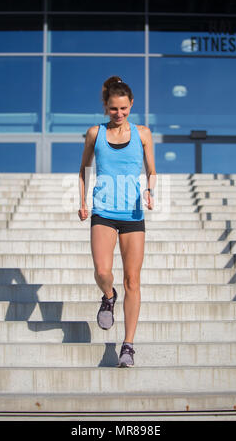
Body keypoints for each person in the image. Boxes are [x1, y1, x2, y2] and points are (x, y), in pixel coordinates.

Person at [78, 75, 157, 367]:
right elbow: (83, 169)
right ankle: (108, 296)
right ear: (105, 106)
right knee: (102, 271)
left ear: (131, 104)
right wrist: (82, 201)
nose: (119, 114)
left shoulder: (143, 134)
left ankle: (128, 345)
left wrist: (150, 189)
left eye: (124, 108)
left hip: (133, 214)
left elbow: (151, 171)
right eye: (113, 109)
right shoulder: (94, 134)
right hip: (103, 211)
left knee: (133, 281)